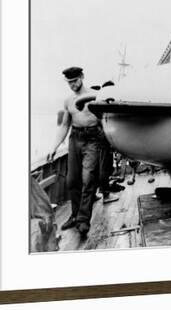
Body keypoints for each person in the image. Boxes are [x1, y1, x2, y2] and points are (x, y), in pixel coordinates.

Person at [47, 67, 117, 238]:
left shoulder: (96, 95)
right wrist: (54, 147)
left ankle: (83, 220)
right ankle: (75, 214)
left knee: (88, 179)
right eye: (70, 82)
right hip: (75, 138)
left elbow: (105, 120)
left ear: (82, 77)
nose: (73, 85)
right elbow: (64, 125)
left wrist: (113, 141)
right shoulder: (68, 101)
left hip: (93, 139)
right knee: (72, 181)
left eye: (75, 81)